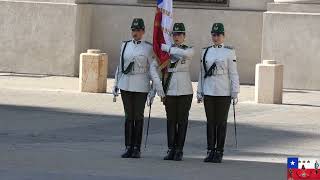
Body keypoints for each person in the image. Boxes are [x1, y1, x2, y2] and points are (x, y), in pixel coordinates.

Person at [112, 18, 165, 159]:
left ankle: (137, 148)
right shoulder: (124, 45)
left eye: (137, 30)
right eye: (133, 30)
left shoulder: (148, 48)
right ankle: (128, 146)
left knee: (138, 117)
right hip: (126, 84)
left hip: (141, 84)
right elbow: (120, 66)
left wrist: (154, 89)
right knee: (128, 117)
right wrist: (115, 84)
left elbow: (154, 69)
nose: (135, 32)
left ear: (143, 31)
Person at [197, 23, 240, 163]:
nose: (215, 37)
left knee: (221, 123)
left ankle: (219, 151)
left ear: (223, 36)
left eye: (218, 35)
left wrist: (235, 91)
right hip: (209, 90)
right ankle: (210, 150)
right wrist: (200, 90)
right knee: (210, 122)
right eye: (213, 35)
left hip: (223, 91)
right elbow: (202, 72)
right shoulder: (206, 51)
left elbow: (233, 73)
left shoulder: (229, 52)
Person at [161, 23, 194, 161]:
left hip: (185, 90)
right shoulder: (166, 53)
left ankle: (179, 149)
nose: (177, 37)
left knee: (182, 121)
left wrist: (168, 48)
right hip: (170, 89)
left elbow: (184, 54)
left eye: (180, 34)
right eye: (174, 34)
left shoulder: (189, 49)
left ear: (184, 36)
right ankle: (171, 149)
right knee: (171, 121)